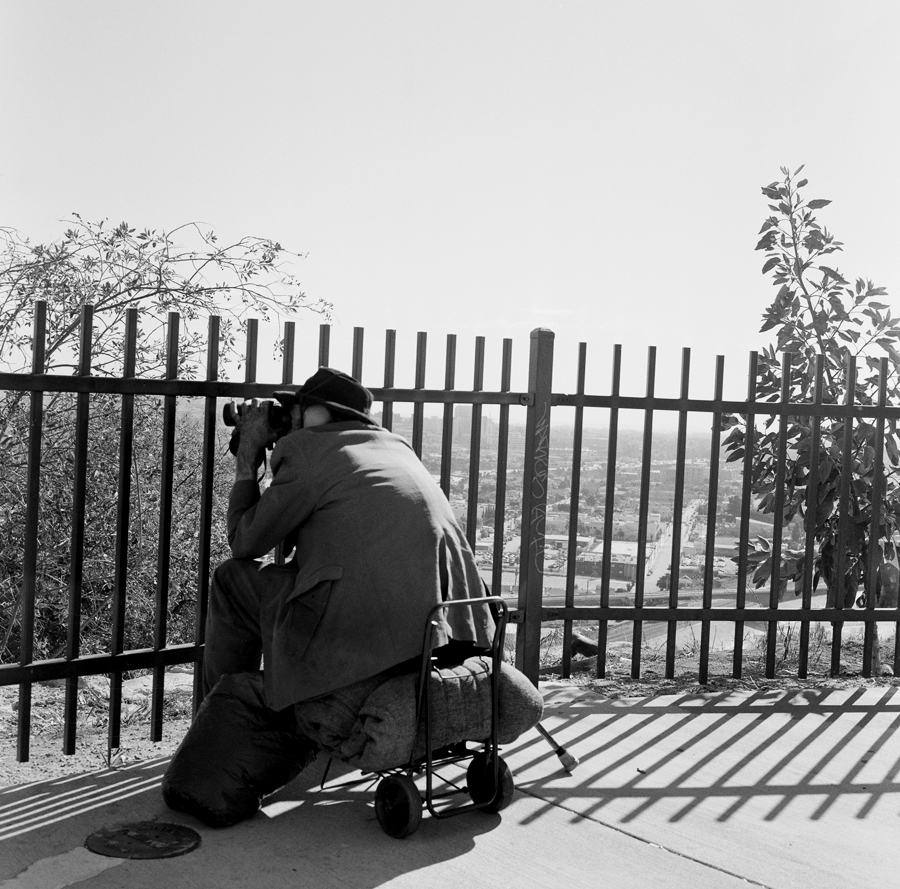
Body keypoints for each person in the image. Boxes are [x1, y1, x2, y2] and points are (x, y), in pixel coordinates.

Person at [203, 367, 496, 714]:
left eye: (293, 411)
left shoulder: (311, 450)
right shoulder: (395, 448)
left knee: (230, 580)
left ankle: (225, 714)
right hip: (449, 635)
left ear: (316, 413)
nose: (288, 421)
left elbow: (244, 542)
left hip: (363, 639)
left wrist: (247, 458)